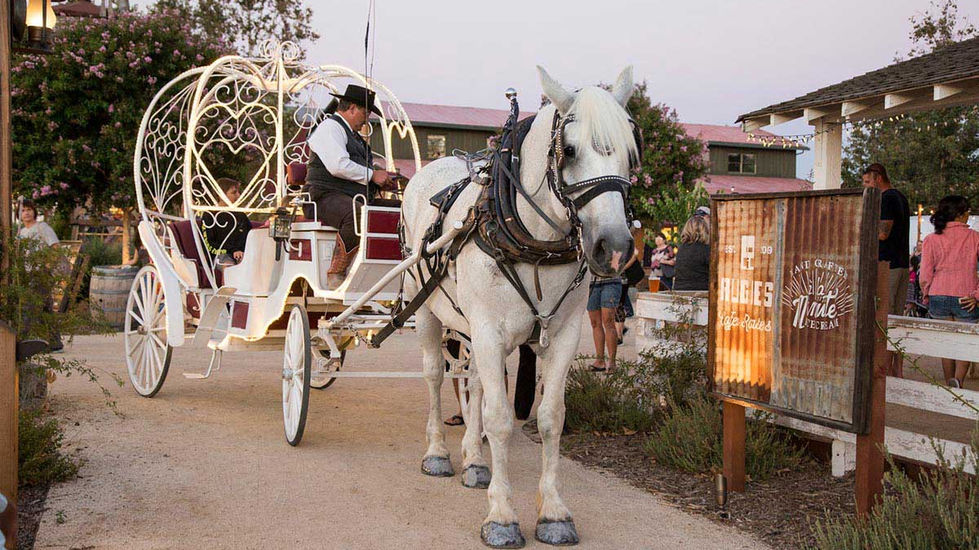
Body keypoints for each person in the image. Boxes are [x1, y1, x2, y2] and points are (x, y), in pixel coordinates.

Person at [302, 84, 397, 288]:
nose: (367, 118)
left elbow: (358, 170)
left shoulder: (353, 136)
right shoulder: (330, 128)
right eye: (366, 112)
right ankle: (337, 271)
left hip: (352, 197)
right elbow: (338, 166)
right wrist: (372, 175)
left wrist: (381, 179)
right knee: (358, 214)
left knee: (401, 211)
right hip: (323, 197)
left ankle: (391, 270)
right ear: (352, 108)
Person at [919, 195, 979, 388]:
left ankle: (948, 382)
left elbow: (925, 274)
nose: (969, 214)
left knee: (946, 343)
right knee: (965, 342)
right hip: (966, 295)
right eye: (967, 211)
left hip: (939, 293)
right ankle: (958, 381)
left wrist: (927, 293)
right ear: (960, 214)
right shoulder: (975, 237)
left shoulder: (931, 239)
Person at [862, 163, 910, 376]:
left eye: (867, 182)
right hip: (901, 264)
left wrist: (861, 227)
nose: (865, 187)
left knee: (885, 317)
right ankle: (897, 368)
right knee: (897, 318)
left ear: (878, 178)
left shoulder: (887, 198)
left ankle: (884, 367)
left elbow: (883, 233)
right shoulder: (901, 197)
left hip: (887, 265)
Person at [16, 201, 63, 351]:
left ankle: (21, 341)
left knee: (29, 306)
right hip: (27, 273)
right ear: (19, 214)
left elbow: (55, 247)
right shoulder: (21, 233)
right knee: (45, 308)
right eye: (23, 211)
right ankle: (55, 343)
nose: (27, 213)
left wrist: (47, 266)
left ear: (34, 211)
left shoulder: (42, 228)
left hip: (40, 272)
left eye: (29, 210)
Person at [202, 178, 251, 267]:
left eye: (238, 192)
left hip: (242, 255)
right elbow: (209, 245)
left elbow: (250, 236)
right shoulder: (209, 215)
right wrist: (232, 250)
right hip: (220, 255)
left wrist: (243, 251)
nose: (238, 196)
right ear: (221, 195)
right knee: (228, 268)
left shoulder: (240, 215)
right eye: (234, 193)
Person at [586, 268, 622, 373]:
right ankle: (600, 361)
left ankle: (612, 362)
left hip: (611, 280)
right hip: (591, 282)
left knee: (608, 321)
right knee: (594, 322)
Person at [672, 212, 710, 291]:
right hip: (701, 293)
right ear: (704, 229)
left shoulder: (681, 249)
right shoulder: (706, 249)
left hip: (680, 292)